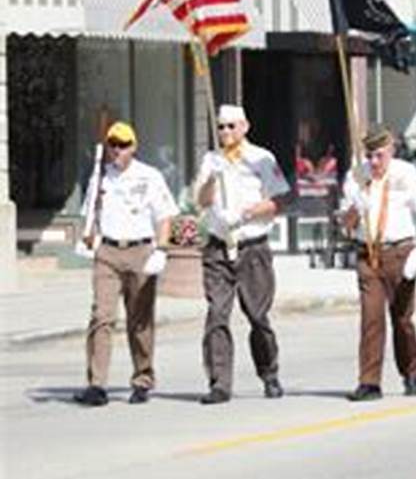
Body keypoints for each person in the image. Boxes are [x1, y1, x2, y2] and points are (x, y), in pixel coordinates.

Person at [74, 121, 178, 406]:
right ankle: (96, 384)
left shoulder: (150, 176)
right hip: (108, 252)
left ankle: (142, 378)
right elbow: (90, 217)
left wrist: (162, 249)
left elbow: (165, 216)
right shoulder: (100, 177)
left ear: (134, 146)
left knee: (140, 320)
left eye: (122, 145)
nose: (117, 150)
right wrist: (88, 238)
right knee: (101, 317)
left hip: (140, 251)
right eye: (112, 144)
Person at [194, 104, 292, 405]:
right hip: (218, 246)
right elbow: (200, 200)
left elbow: (281, 200)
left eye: (231, 126)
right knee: (217, 316)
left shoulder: (261, 159)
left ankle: (269, 372)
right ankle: (219, 383)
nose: (225, 132)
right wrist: (212, 179)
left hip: (252, 246)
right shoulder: (212, 159)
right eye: (221, 127)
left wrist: (249, 212)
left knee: (257, 315)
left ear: (245, 126)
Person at [339, 129, 416, 402]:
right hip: (369, 254)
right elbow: (346, 225)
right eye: (369, 155)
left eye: (379, 155)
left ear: (391, 150)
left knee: (402, 319)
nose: (374, 161)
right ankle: (369, 382)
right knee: (371, 318)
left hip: (400, 252)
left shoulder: (405, 173)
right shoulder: (357, 176)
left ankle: (411, 372)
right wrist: (355, 208)